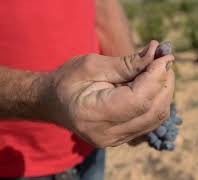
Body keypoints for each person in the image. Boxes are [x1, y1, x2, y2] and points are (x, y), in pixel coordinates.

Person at [0, 0, 175, 179]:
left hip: (88, 147)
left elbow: (103, 7)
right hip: (10, 165)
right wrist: (44, 93)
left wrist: (135, 93)